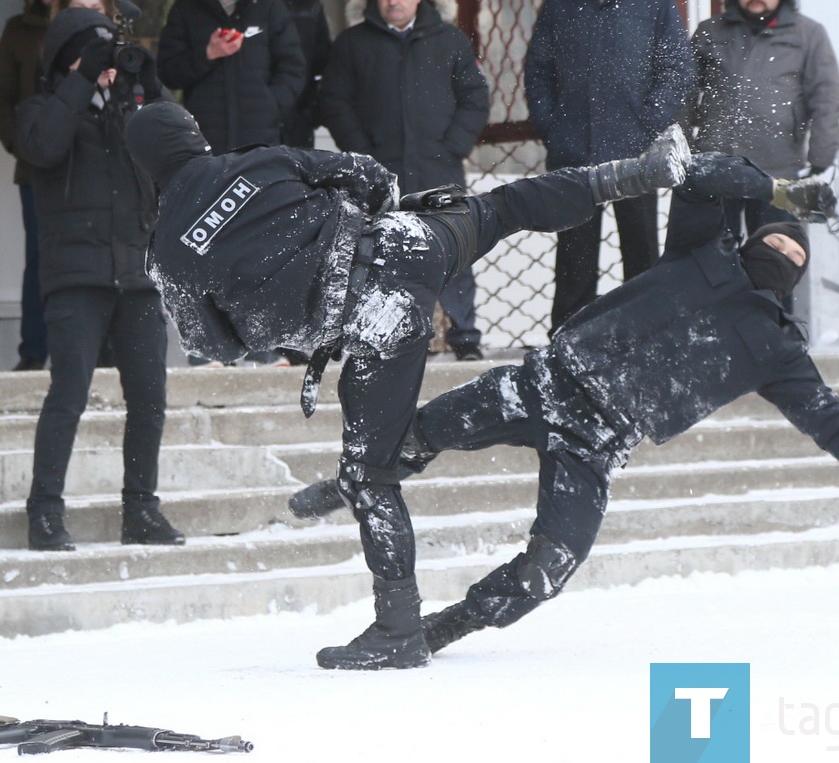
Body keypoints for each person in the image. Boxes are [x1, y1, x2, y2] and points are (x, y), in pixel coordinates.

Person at [125, 104, 699, 670]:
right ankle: (638, 173)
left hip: (375, 321)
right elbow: (371, 175)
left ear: (143, 164)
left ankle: (398, 627)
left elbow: (215, 348)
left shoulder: (167, 254)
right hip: (409, 246)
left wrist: (277, 317)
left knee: (368, 477)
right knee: (505, 206)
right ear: (193, 134)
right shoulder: (256, 161)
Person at [309, 153, 839, 657]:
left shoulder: (778, 349)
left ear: (798, 283)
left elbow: (831, 422)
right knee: (424, 431)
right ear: (757, 238)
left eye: (796, 257)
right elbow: (697, 174)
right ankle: (351, 486)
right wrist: (780, 193)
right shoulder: (703, 250)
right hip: (546, 384)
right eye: (779, 242)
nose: (785, 254)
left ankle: (441, 629)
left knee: (551, 569)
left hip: (598, 443)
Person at [16, 7, 183, 551]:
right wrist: (82, 77)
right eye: (94, 54)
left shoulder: (130, 113)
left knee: (150, 397)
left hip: (135, 275)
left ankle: (141, 509)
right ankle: (44, 511)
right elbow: (41, 146)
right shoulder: (42, 110)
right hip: (75, 278)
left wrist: (151, 88)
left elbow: (184, 155)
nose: (108, 66)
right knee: (68, 394)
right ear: (69, 58)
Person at [525, 0, 695, 334]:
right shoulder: (560, 7)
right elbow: (538, 72)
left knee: (640, 247)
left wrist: (651, 120)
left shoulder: (654, 3)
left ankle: (646, 329)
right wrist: (552, 124)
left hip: (637, 151)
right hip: (574, 149)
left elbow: (676, 68)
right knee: (575, 250)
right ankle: (569, 332)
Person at [321, 0, 490, 360]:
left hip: (439, 169)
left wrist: (453, 146)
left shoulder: (450, 42)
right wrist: (363, 152)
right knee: (380, 254)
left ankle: (465, 339)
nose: (392, 1)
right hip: (379, 174)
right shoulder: (352, 45)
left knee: (454, 250)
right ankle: (394, 342)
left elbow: (475, 97)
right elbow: (334, 102)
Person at [682, 0, 839, 240]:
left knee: (776, 256)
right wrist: (686, 149)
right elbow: (684, 91)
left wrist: (820, 156)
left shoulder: (808, 35)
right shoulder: (711, 31)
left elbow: (828, 97)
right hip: (718, 167)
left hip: (777, 169)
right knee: (712, 260)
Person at [157, 0, 306, 154]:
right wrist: (208, 54)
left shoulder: (269, 6)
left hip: (260, 137)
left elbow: (293, 66)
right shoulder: (187, 9)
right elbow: (168, 71)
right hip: (205, 137)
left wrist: (271, 105)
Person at [0, 0, 81, 371]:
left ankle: (87, 351)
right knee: (41, 260)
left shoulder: (88, 25)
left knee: (86, 258)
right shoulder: (18, 31)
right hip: (36, 168)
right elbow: (5, 101)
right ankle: (33, 352)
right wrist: (23, 144)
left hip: (86, 165)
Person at [244, 0, 332, 149]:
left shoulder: (309, 8)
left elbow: (323, 67)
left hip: (297, 127)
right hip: (247, 125)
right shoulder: (238, 7)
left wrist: (311, 113)